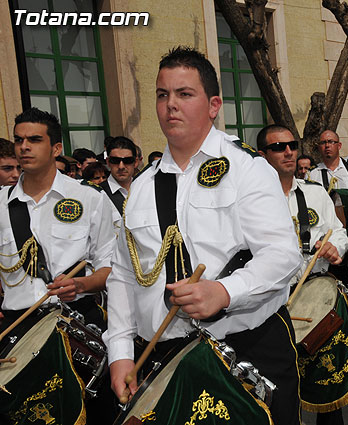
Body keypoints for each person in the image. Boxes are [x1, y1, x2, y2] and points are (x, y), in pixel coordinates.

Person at [102, 46, 303, 425]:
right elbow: (124, 276)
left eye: (184, 94)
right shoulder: (142, 186)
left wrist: (225, 292)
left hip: (249, 346)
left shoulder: (248, 168)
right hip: (167, 353)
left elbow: (282, 254)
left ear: (213, 105)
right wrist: (121, 353)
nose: (170, 105)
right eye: (162, 95)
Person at [0, 108, 115, 421]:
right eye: (19, 140)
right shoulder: (0, 205)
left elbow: (111, 268)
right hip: (18, 328)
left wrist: (80, 284)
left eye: (34, 140)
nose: (24, 147)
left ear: (56, 148)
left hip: (78, 326)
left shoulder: (90, 199)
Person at [257, 124, 348, 425]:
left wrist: (334, 246)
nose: (288, 151)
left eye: (292, 145)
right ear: (262, 155)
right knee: (280, 390)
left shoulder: (315, 192)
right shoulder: (250, 201)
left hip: (314, 296)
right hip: (270, 304)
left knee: (327, 386)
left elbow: (340, 232)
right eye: (278, 147)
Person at [101, 136, 139, 216]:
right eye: (115, 161)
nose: (121, 166)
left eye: (127, 161)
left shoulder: (145, 189)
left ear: (135, 162)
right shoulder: (99, 194)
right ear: (108, 162)